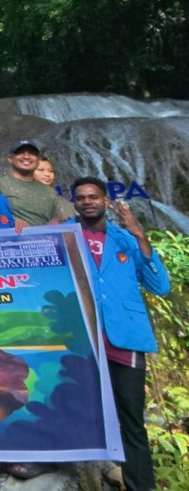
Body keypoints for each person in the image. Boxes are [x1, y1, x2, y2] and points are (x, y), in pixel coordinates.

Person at [69, 178, 169, 491]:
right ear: (74, 203)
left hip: (125, 338)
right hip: (81, 339)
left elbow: (160, 286)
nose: (88, 202)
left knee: (132, 421)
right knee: (74, 413)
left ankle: (141, 486)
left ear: (106, 201)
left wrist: (141, 236)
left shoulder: (126, 238)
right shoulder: (63, 236)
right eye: (81, 198)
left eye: (94, 196)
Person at [0, 141, 69, 227]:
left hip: (44, 235)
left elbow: (57, 221)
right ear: (10, 158)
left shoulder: (50, 192)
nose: (26, 156)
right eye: (20, 152)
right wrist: (12, 222)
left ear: (38, 160)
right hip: (11, 234)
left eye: (32, 153)